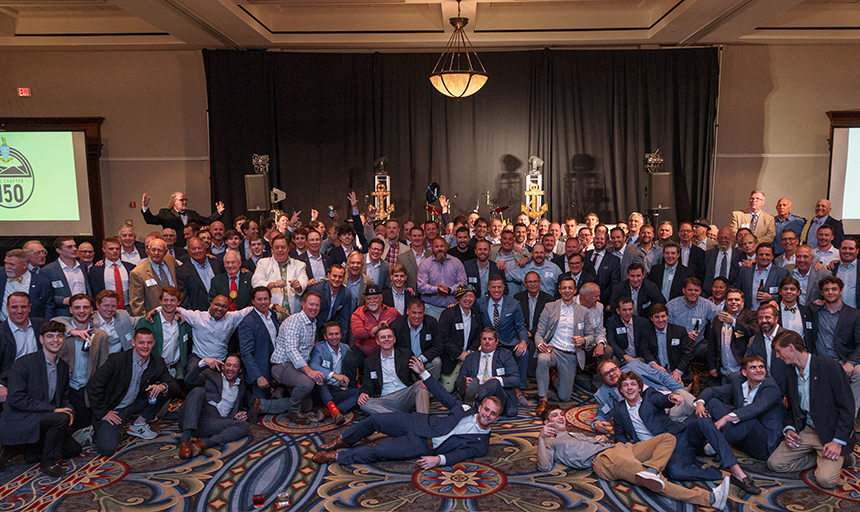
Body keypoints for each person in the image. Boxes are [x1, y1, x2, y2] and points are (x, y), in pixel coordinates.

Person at [312, 356, 501, 468]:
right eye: (486, 409)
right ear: (481, 405)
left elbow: (459, 455)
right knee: (375, 420)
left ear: (497, 417)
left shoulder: (481, 444)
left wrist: (439, 459)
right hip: (417, 422)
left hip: (422, 446)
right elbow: (442, 393)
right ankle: (341, 440)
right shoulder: (465, 408)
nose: (487, 415)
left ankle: (337, 457)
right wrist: (423, 373)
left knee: (380, 450)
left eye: (492, 414)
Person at [537, 404, 730, 510]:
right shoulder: (549, 442)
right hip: (604, 461)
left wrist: (602, 438)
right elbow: (544, 467)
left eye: (561, 414)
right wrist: (540, 438)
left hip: (618, 448)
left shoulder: (574, 433)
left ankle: (653, 470)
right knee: (655, 482)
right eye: (555, 416)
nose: (561, 417)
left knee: (667, 439)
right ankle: (709, 498)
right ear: (546, 422)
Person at [609, 371, 761, 494]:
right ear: (621, 390)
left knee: (703, 421)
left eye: (633, 384)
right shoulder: (618, 410)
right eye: (625, 385)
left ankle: (737, 471)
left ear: (639, 388)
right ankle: (723, 474)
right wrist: (630, 446)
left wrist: (671, 397)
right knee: (675, 472)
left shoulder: (649, 396)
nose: (629, 388)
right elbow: (620, 435)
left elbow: (662, 399)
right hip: (664, 451)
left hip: (681, 434)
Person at [767, 330, 855, 488]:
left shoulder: (830, 367)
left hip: (830, 433)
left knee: (825, 481)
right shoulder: (790, 376)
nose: (778, 356)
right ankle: (820, 457)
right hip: (806, 431)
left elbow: (847, 408)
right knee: (775, 464)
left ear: (791, 347)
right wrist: (789, 429)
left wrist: (837, 441)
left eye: (779, 351)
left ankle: (841, 453)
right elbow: (791, 411)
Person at [0, 321, 81, 477]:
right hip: (20, 417)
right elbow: (16, 398)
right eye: (50, 336)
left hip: (45, 418)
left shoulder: (62, 366)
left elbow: (64, 397)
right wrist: (54, 410)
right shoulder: (24, 363)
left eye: (59, 336)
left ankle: (23, 450)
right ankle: (49, 463)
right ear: (41, 339)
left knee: (74, 449)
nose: (55, 340)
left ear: (64, 339)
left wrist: (69, 410)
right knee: (60, 419)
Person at [86, 328, 180, 456]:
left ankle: (138, 424)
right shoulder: (117, 360)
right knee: (107, 449)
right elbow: (93, 385)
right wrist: (103, 412)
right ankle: (92, 431)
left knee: (164, 390)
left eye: (149, 343)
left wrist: (162, 386)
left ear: (153, 343)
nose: (145, 346)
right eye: (141, 342)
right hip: (114, 408)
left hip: (136, 402)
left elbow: (174, 386)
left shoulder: (157, 362)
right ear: (133, 342)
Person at [695, 355, 782, 461]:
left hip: (763, 445)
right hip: (740, 437)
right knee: (713, 403)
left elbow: (755, 408)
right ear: (744, 373)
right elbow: (713, 391)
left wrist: (726, 418)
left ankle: (712, 447)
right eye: (753, 367)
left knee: (748, 420)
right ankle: (694, 437)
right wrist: (700, 403)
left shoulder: (770, 387)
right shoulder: (739, 382)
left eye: (761, 367)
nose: (758, 370)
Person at [534, 276, 597, 413]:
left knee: (564, 397)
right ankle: (543, 399)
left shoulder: (583, 311)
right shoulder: (550, 307)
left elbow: (591, 336)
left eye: (570, 288)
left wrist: (584, 340)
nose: (567, 290)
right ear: (560, 290)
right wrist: (540, 345)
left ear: (575, 291)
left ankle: (553, 377)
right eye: (564, 288)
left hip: (570, 353)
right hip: (553, 349)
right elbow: (539, 333)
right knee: (542, 359)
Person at [177, 354, 258, 458]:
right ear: (223, 366)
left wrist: (241, 414)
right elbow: (189, 381)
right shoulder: (210, 375)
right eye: (228, 365)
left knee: (244, 426)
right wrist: (203, 362)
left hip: (214, 421)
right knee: (198, 391)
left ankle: (203, 443)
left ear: (240, 370)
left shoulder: (241, 389)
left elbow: (246, 407)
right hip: (197, 413)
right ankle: (185, 440)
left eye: (235, 366)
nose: (231, 368)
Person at [592, 359, 694, 434]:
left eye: (613, 370)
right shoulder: (603, 394)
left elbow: (660, 375)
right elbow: (602, 412)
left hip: (669, 398)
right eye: (606, 373)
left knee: (697, 407)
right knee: (686, 425)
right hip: (659, 418)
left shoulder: (634, 366)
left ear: (619, 368)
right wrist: (596, 423)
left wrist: (678, 390)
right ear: (603, 378)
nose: (611, 374)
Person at [55, 293, 110, 431]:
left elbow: (103, 367)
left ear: (92, 310)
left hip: (86, 390)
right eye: (77, 307)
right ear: (71, 310)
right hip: (66, 388)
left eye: (86, 307)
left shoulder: (101, 335)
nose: (81, 311)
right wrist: (71, 332)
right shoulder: (61, 332)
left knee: (88, 428)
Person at [807, 275, 860, 413]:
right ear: (822, 293)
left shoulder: (854, 314)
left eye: (834, 289)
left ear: (841, 290)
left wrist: (851, 363)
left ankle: (848, 415)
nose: (830, 292)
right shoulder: (813, 310)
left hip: (844, 361)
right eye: (827, 290)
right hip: (820, 362)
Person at [475, 274, 529, 404]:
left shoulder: (514, 304)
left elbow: (521, 326)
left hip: (510, 342)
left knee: (523, 353)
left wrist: (523, 342)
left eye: (499, 287)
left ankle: (518, 390)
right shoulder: (480, 303)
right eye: (493, 287)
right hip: (489, 343)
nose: (496, 290)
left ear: (504, 287)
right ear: (488, 288)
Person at [270, 292, 323, 425]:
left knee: (306, 406)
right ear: (303, 304)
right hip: (282, 365)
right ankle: (293, 410)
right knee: (307, 383)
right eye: (311, 304)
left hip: (295, 366)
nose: (314, 308)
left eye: (317, 305)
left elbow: (306, 350)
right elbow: (292, 350)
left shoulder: (313, 322)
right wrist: (309, 371)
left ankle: (262, 405)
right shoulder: (294, 321)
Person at [343, 284, 400, 387]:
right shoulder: (358, 314)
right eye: (369, 299)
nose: (372, 301)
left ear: (381, 298)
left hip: (386, 351)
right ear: (365, 299)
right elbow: (357, 333)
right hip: (363, 350)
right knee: (348, 361)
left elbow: (403, 326)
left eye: (375, 298)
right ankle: (352, 390)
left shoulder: (393, 312)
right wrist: (376, 329)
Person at [455, 328, 520, 417]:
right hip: (477, 389)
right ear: (480, 341)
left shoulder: (505, 355)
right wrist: (465, 381)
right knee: (468, 385)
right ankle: (474, 403)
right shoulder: (470, 357)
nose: (487, 342)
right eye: (484, 339)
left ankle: (473, 397)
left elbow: (516, 380)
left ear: (496, 341)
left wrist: (497, 379)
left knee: (493, 382)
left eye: (490, 339)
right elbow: (458, 381)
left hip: (497, 395)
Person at [309, 321, 361, 424]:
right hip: (322, 389)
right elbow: (313, 365)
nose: (334, 337)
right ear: (325, 336)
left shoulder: (345, 348)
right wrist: (334, 375)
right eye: (330, 334)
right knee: (320, 378)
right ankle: (334, 410)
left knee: (362, 392)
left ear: (341, 335)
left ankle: (331, 411)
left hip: (338, 389)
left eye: (337, 333)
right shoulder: (319, 347)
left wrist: (345, 379)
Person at [706, 289, 759, 387]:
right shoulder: (718, 319)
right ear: (726, 302)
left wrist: (734, 322)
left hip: (742, 371)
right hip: (722, 372)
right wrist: (712, 366)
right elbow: (712, 345)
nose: (733, 302)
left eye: (737, 300)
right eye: (730, 300)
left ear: (742, 301)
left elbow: (755, 332)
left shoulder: (751, 315)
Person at [136, 286, 192, 379]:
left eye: (172, 300)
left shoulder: (183, 323)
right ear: (160, 301)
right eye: (165, 300)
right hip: (150, 371)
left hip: (174, 372)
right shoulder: (147, 321)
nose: (169, 303)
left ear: (178, 302)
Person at [0, 292, 46, 402]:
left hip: (40, 384)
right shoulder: (1, 331)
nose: (19, 311)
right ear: (7, 308)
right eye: (14, 307)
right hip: (11, 387)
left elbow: (59, 329)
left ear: (30, 307)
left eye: (23, 307)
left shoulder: (40, 324)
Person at [237, 286, 280, 399]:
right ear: (253, 301)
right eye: (259, 299)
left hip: (275, 370)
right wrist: (258, 376)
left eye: (265, 299)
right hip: (260, 376)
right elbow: (246, 354)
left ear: (270, 300)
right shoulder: (247, 323)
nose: (263, 302)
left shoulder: (273, 315)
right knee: (261, 407)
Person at [141, 191, 225, 247]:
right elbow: (151, 220)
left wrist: (219, 213)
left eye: (186, 200)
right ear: (174, 201)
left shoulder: (192, 214)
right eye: (182, 200)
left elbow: (207, 221)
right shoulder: (166, 213)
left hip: (192, 246)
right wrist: (145, 208)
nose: (184, 202)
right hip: (174, 246)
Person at [251, 235, 308, 317]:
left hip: (294, 315)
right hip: (271, 313)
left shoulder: (299, 265)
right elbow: (255, 282)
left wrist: (298, 286)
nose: (280, 250)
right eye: (277, 247)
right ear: (272, 249)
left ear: (288, 248)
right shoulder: (263, 263)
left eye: (283, 247)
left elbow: (304, 281)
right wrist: (272, 285)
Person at [436, 284, 483, 385]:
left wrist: (469, 353)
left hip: (469, 357)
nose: (468, 299)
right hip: (451, 358)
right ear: (458, 298)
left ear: (475, 298)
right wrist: (459, 355)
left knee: (470, 387)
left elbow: (478, 337)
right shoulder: (448, 314)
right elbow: (443, 337)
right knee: (448, 390)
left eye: (470, 296)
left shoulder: (477, 315)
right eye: (464, 296)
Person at [389, 299, 444, 380]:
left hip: (424, 360)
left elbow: (439, 345)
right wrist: (411, 362)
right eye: (414, 313)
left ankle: (431, 390)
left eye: (420, 313)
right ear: (408, 311)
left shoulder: (431, 322)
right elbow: (394, 349)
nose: (417, 316)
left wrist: (421, 359)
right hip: (405, 362)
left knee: (436, 362)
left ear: (424, 312)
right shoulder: (396, 326)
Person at [640, 304, 694, 385]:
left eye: (663, 316)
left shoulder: (679, 331)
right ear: (651, 318)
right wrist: (654, 365)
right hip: (657, 371)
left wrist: (678, 371)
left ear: (667, 317)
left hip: (677, 372)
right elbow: (644, 351)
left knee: (676, 390)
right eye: (657, 317)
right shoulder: (646, 332)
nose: (661, 320)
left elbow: (688, 353)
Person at [41, 236, 92, 318]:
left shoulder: (82, 266)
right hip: (63, 313)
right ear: (59, 250)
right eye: (69, 247)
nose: (74, 249)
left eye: (75, 246)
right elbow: (43, 296)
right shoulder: (48, 270)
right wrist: (62, 300)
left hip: (85, 313)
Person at [417, 237, 468, 319]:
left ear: (446, 247)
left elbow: (463, 284)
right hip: (431, 309)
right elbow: (421, 287)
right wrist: (437, 289)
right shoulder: (425, 264)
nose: (439, 249)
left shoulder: (456, 263)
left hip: (452, 307)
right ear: (432, 248)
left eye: (442, 246)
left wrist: (449, 290)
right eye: (436, 246)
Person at [745, 303, 795, 385]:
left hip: (786, 387)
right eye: (760, 318)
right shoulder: (753, 340)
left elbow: (797, 366)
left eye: (767, 317)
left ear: (776, 319)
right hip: (762, 388)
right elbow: (747, 365)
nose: (764, 321)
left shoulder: (789, 337)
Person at [733, 242, 789, 312]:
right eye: (761, 254)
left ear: (772, 257)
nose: (764, 257)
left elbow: (787, 295)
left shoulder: (781, 273)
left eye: (767, 255)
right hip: (747, 314)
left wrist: (771, 297)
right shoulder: (745, 270)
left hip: (768, 315)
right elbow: (736, 289)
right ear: (756, 256)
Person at [128, 238, 178, 316]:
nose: (156, 253)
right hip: (154, 317)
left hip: (176, 312)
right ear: (148, 250)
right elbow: (137, 304)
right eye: (153, 250)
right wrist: (144, 322)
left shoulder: (171, 261)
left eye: (160, 250)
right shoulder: (138, 272)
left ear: (165, 251)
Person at [1, 249, 54, 320]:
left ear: (24, 265)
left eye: (11, 264)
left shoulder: (42, 282)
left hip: (31, 326)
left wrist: (46, 327)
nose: (7, 267)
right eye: (6, 263)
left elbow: (48, 307)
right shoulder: (1, 275)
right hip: (2, 325)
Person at [177, 237, 226, 311]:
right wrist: (191, 315)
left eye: (199, 248)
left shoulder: (217, 264)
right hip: (197, 314)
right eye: (193, 249)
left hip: (220, 311)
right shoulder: (182, 271)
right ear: (189, 251)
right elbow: (183, 297)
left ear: (205, 248)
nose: (197, 251)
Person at [88, 237, 136, 309]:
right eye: (111, 249)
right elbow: (93, 292)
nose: (115, 251)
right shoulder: (96, 270)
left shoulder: (130, 267)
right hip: (105, 308)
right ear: (103, 250)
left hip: (128, 308)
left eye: (117, 248)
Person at [605, 297, 650, 364]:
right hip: (621, 357)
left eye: (630, 309)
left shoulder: (642, 322)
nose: (628, 313)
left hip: (638, 357)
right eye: (624, 310)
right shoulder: (612, 322)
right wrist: (625, 356)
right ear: (618, 311)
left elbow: (646, 343)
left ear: (633, 309)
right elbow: (612, 341)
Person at [583, 230, 621, 306]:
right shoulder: (585, 256)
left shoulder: (614, 260)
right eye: (597, 238)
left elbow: (615, 284)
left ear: (606, 241)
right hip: (585, 299)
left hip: (604, 301)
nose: (599, 241)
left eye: (602, 239)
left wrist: (611, 303)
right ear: (593, 240)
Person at [514, 271, 552, 342]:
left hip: (541, 337)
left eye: (535, 281)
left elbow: (546, 322)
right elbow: (517, 319)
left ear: (540, 283)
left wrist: (531, 333)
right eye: (530, 282)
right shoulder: (517, 298)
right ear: (525, 284)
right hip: (521, 336)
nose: (533, 284)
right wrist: (524, 333)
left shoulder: (548, 299)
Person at [824, 235, 860, 308]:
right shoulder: (832, 268)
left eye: (851, 248)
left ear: (857, 251)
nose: (847, 251)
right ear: (839, 250)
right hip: (835, 314)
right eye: (844, 248)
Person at [396, 226, 430, 292]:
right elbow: (398, 278)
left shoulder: (431, 255)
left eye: (419, 235)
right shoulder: (402, 258)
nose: (417, 238)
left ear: (423, 237)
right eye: (414, 236)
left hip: (430, 296)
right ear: (410, 238)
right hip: (411, 296)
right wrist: (405, 288)